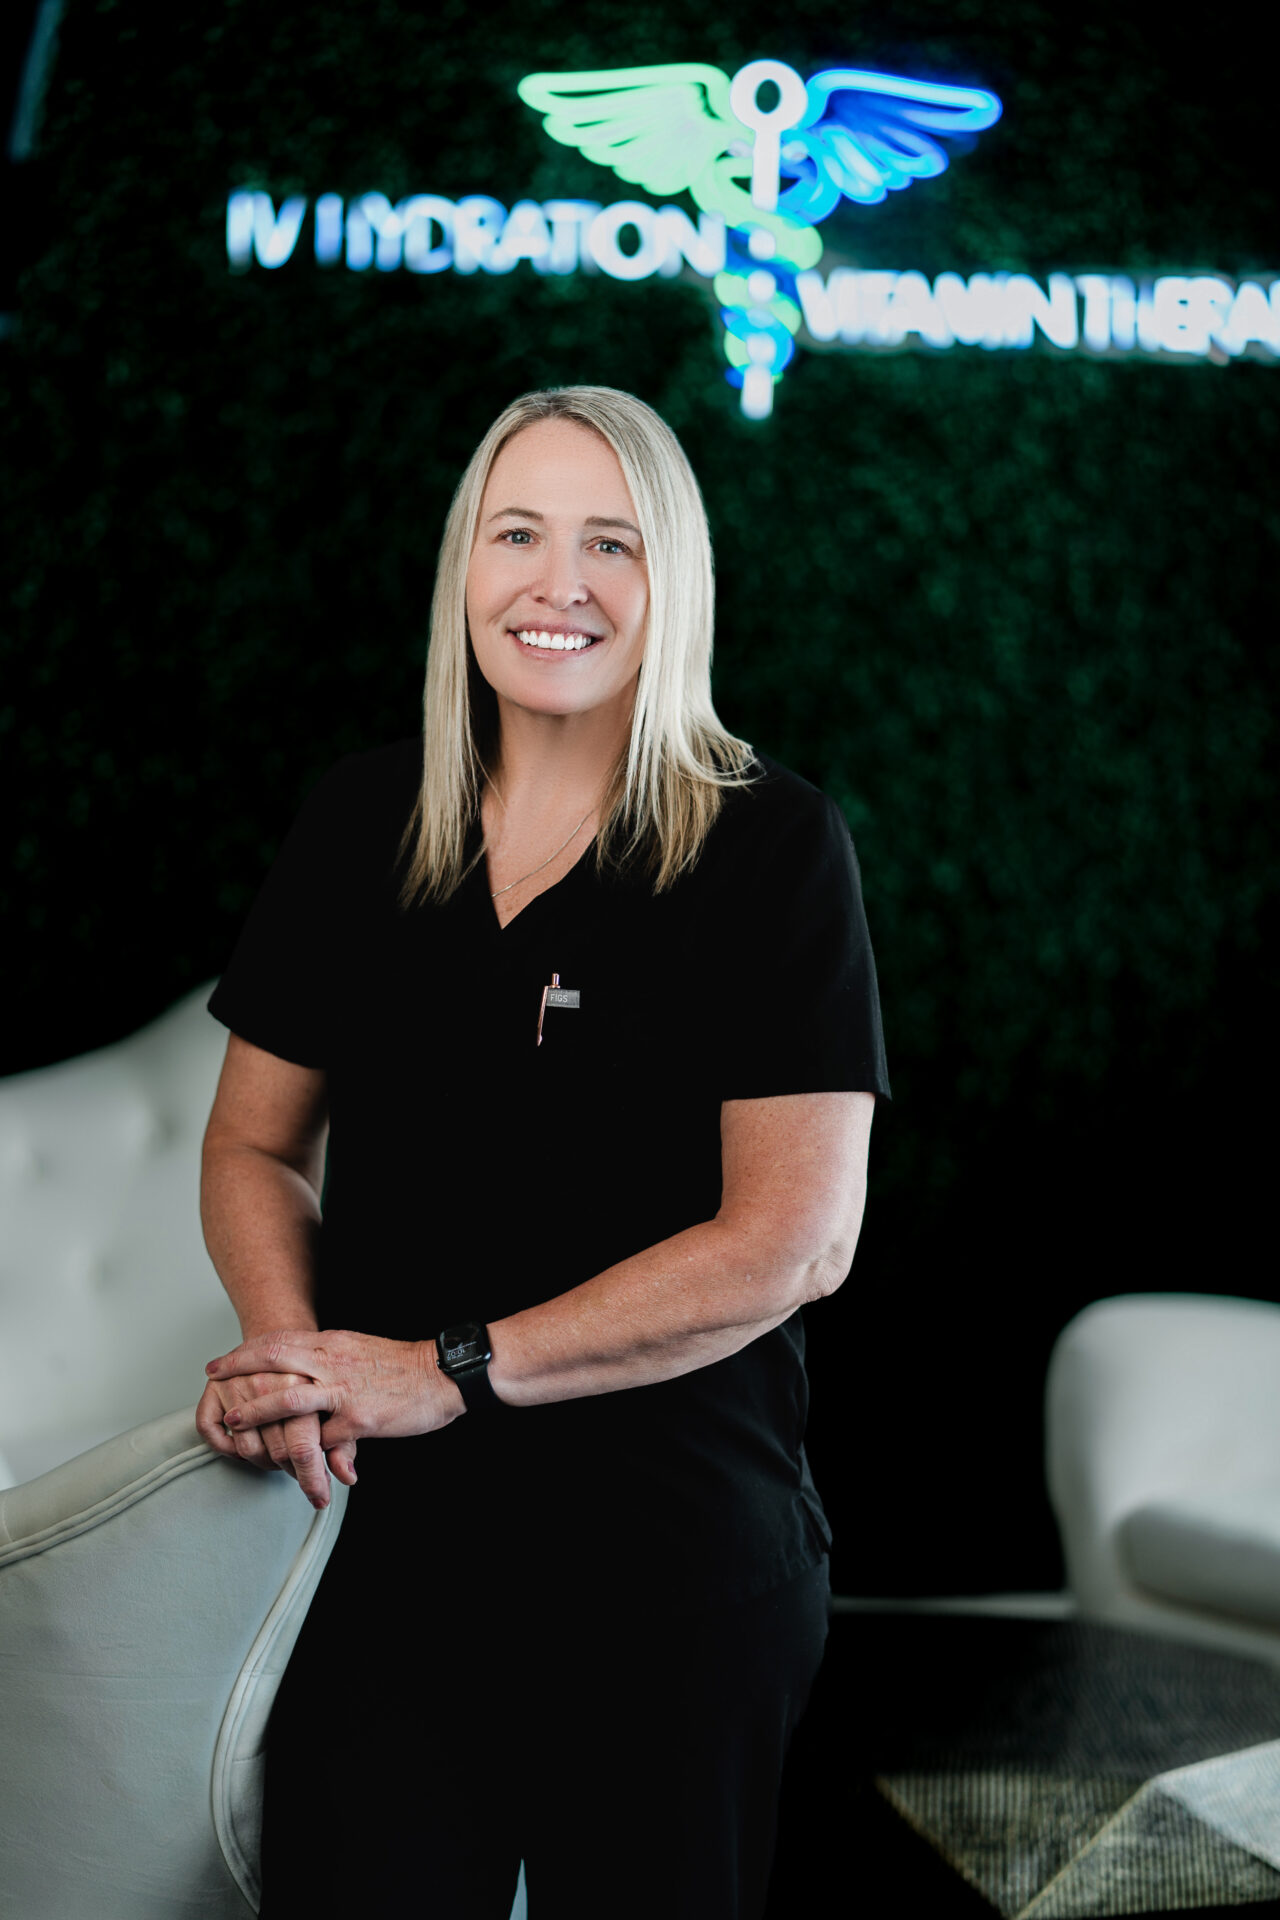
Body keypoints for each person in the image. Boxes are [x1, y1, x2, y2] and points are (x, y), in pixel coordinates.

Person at [195, 384, 890, 1919]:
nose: (556, 583)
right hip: (388, 1568)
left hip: (675, 1574)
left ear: (674, 585)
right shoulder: (363, 819)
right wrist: (295, 1354)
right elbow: (253, 1144)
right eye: (518, 533)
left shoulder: (772, 845)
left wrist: (438, 1367)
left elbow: (795, 1241)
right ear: (464, 567)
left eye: (610, 544)